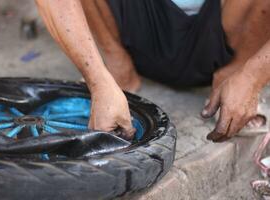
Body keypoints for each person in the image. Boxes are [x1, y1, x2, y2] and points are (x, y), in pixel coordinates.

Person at [35, 0, 270, 142]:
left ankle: (234, 72)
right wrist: (97, 79)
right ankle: (117, 66)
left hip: (228, 29)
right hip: (133, 27)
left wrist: (253, 76)